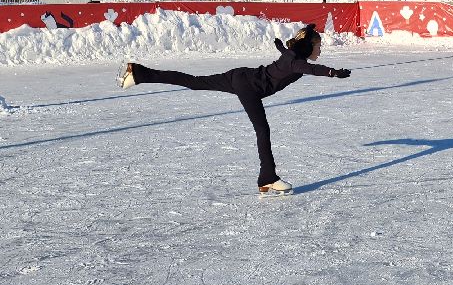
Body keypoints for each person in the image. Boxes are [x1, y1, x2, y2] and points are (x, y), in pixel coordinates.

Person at [117, 23, 351, 195]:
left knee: (194, 82)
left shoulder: (292, 57)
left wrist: (281, 47)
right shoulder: (297, 62)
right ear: (309, 45)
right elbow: (312, 69)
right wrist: (333, 72)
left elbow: (291, 60)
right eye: (318, 46)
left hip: (241, 77)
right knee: (262, 130)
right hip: (249, 85)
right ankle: (268, 177)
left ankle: (139, 73)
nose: (320, 50)